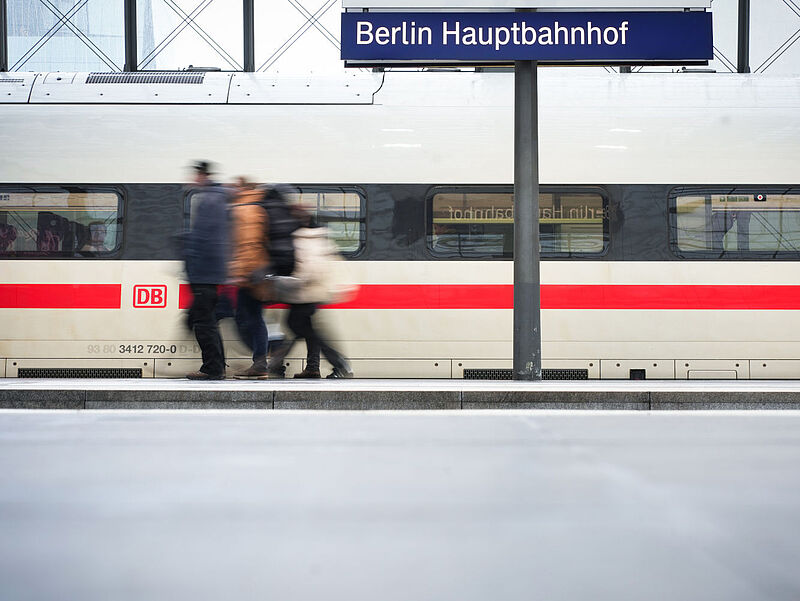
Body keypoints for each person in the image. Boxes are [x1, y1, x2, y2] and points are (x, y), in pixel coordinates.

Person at [266, 206, 353, 379]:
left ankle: (339, 364)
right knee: (306, 329)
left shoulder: (304, 238)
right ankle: (311, 367)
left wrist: (281, 281)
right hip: (308, 294)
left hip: (305, 294)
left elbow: (308, 273)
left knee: (302, 328)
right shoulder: (315, 236)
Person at [182, 160, 231, 380]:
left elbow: (203, 238)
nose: (193, 179)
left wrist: (190, 261)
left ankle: (213, 368)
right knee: (207, 320)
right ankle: (216, 366)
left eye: (195, 175)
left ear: (202, 176)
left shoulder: (209, 200)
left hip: (205, 271)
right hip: (213, 271)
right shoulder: (219, 197)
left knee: (203, 323)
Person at [228, 178, 272, 379]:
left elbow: (248, 245)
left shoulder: (244, 210)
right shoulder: (259, 208)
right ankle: (262, 360)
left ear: (244, 188)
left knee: (251, 318)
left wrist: (239, 272)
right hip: (258, 271)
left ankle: (261, 362)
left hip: (250, 274)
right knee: (252, 317)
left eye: (236, 186)